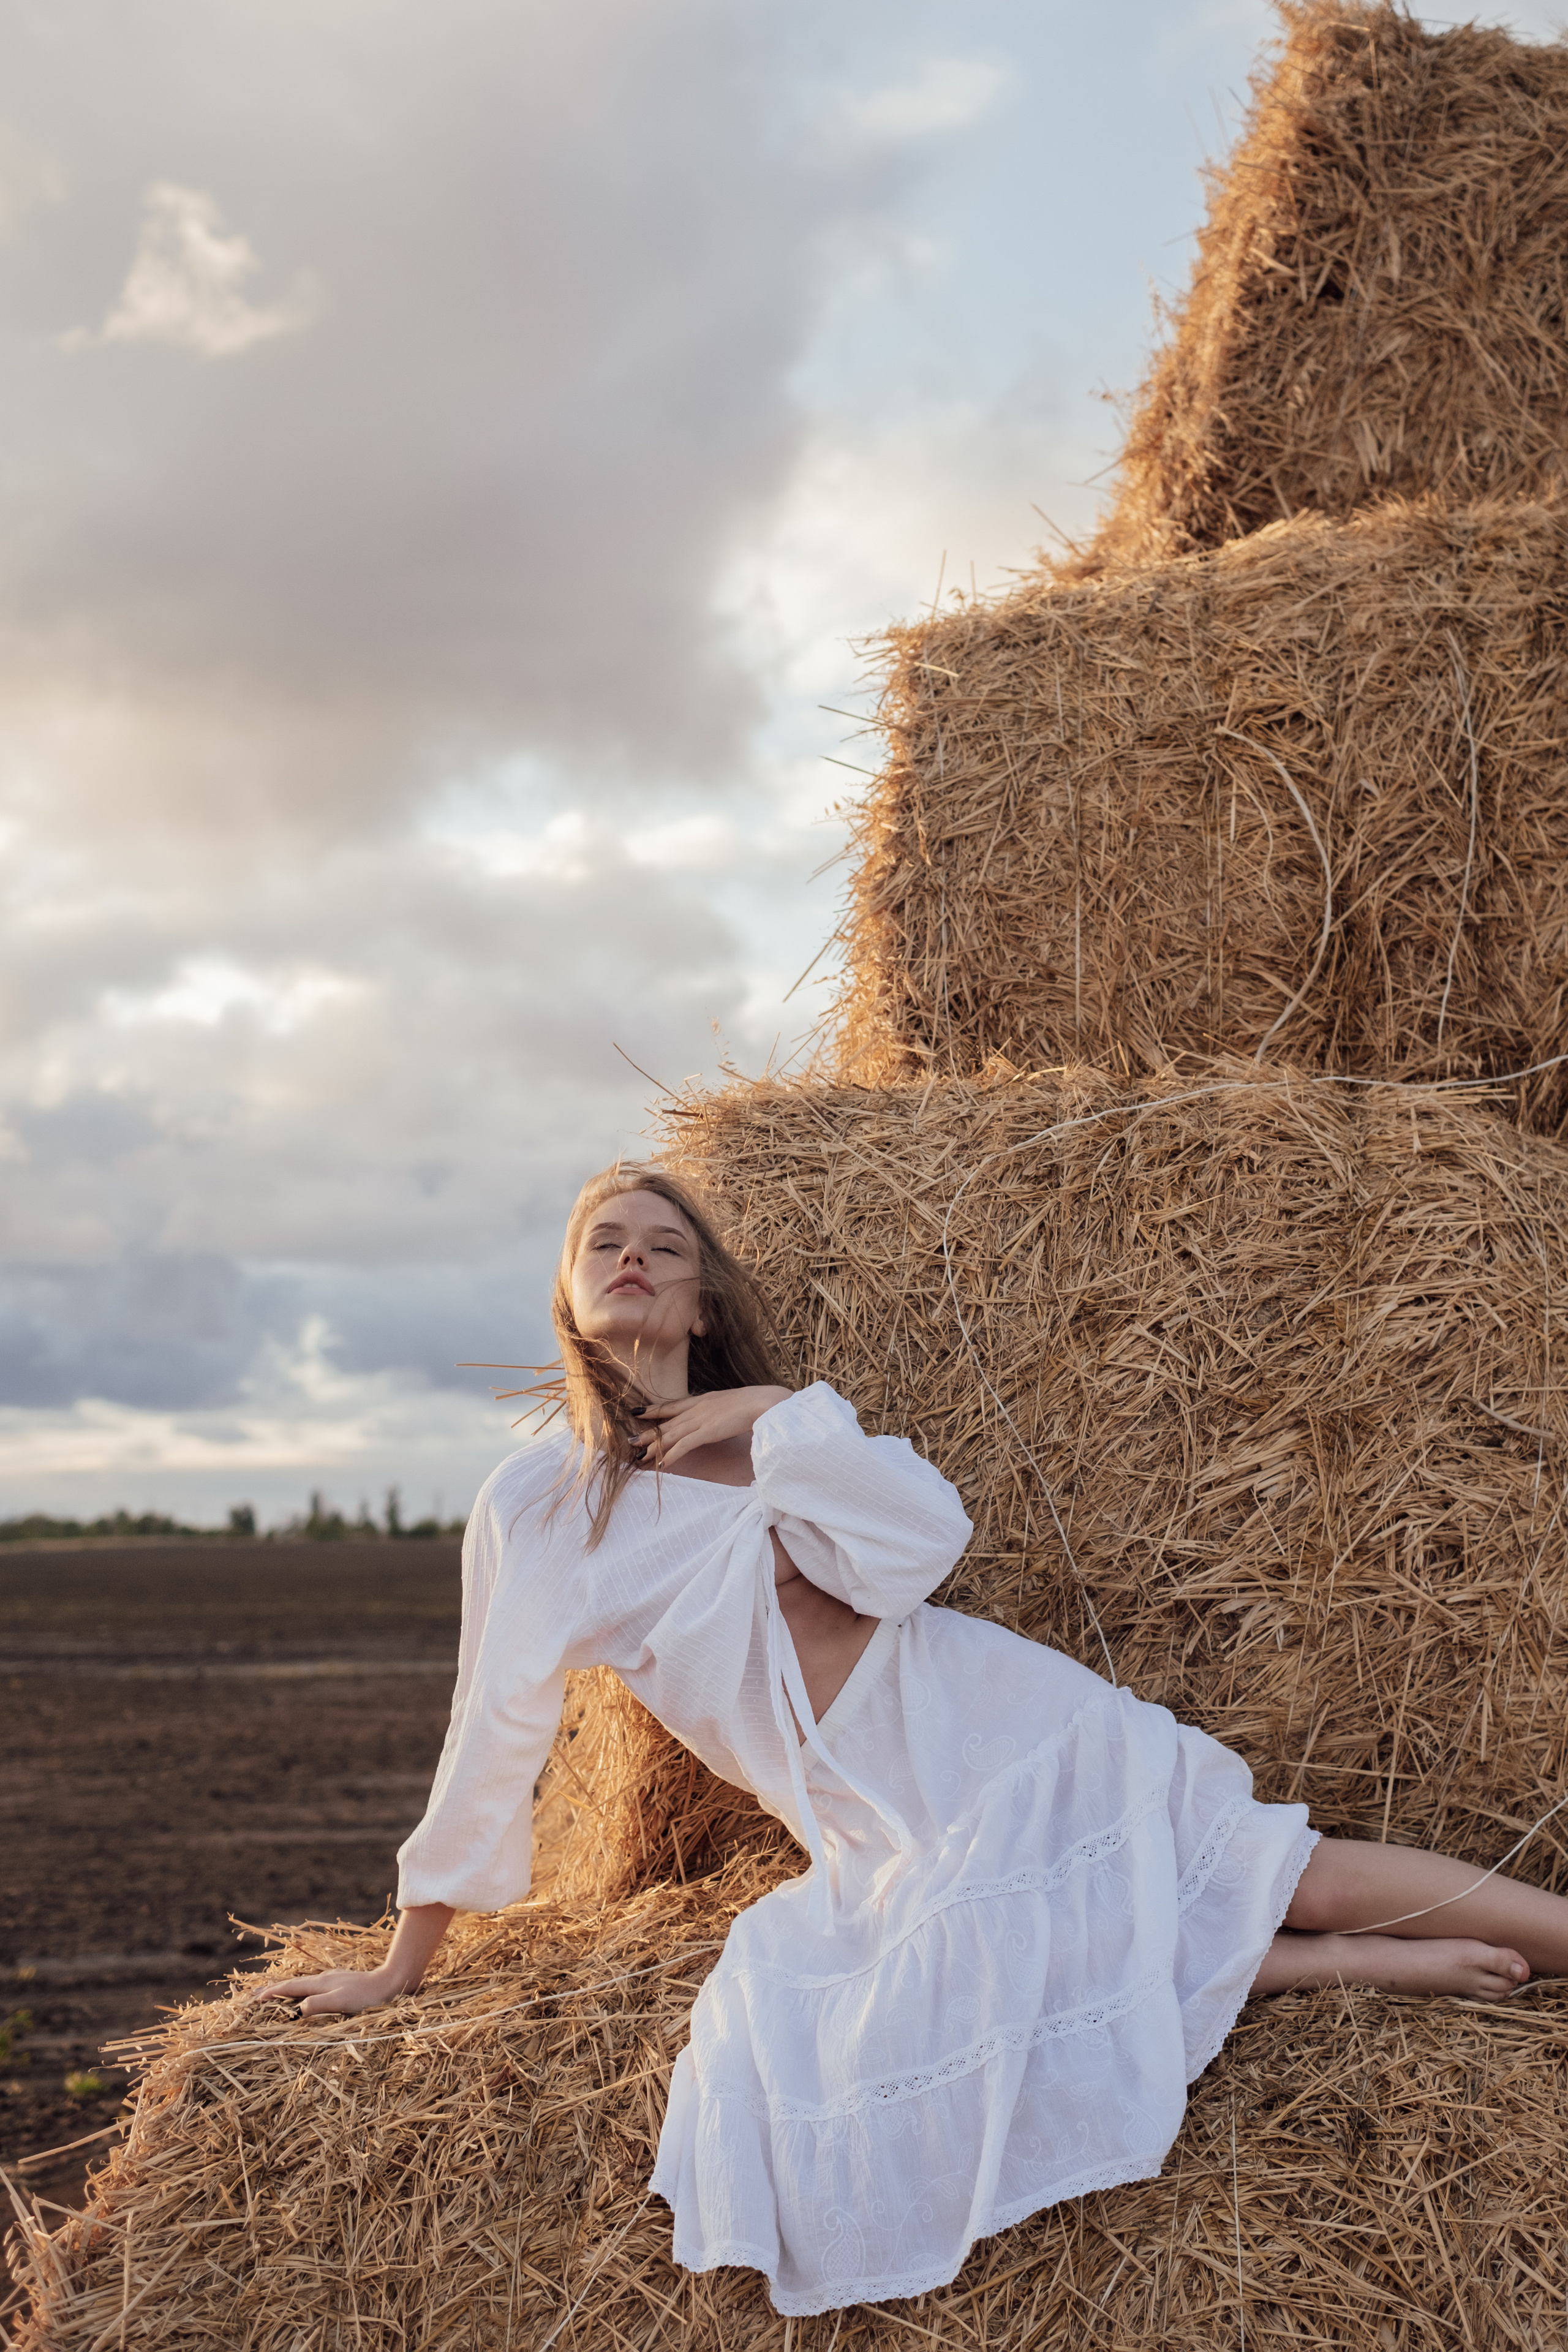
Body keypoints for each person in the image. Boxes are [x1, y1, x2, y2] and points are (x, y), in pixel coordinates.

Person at [257, 1162, 1568, 2318]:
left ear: (701, 1301)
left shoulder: (779, 1437)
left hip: (987, 1711)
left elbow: (917, 1551)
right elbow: (488, 1730)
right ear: (567, 1300)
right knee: (994, 1966)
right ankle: (1345, 1969)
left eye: (661, 1241)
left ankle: (1484, 1934)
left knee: (1289, 1865)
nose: (632, 1255)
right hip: (874, 1805)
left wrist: (773, 1415)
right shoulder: (542, 1507)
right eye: (602, 1241)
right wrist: (398, 1964)